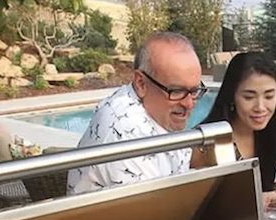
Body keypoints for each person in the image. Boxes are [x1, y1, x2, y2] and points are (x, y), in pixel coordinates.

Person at [68, 32, 206, 194]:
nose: (189, 104)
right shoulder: (125, 131)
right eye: (176, 91)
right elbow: (154, 213)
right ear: (141, 83)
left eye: (195, 91)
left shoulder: (157, 113)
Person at [192, 52, 276, 209]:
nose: (260, 107)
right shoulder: (205, 144)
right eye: (249, 97)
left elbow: (254, 194)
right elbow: (197, 208)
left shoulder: (271, 134)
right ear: (232, 96)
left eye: (269, 96)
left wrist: (275, 189)